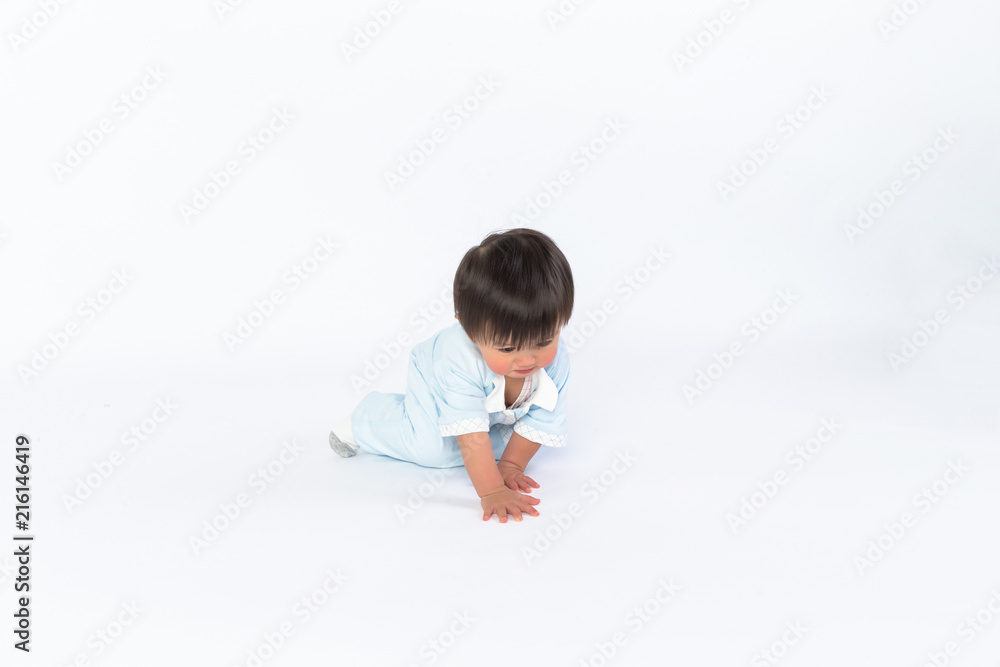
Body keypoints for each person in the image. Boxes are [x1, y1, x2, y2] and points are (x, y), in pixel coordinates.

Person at [329, 227, 574, 523]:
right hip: (434, 382)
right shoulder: (457, 359)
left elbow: (543, 418)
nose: (527, 359)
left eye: (544, 341)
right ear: (469, 331)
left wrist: (511, 465)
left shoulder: (556, 361)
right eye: (508, 348)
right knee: (433, 451)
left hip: (492, 404)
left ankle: (492, 429)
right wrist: (492, 490)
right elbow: (471, 438)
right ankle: (366, 420)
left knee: (509, 443)